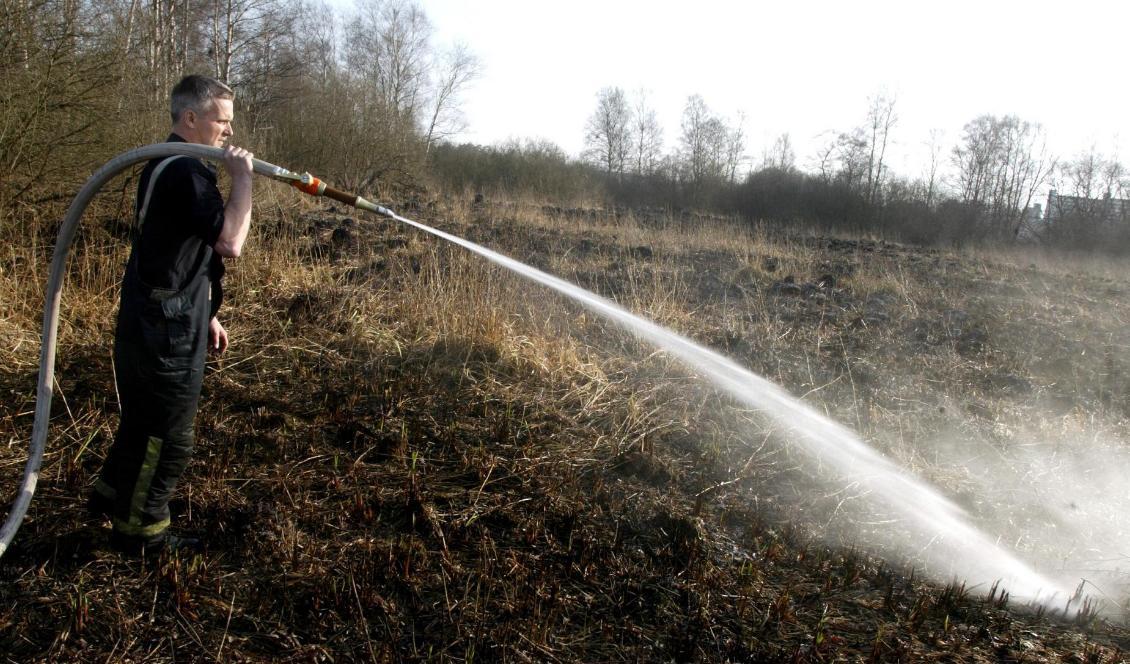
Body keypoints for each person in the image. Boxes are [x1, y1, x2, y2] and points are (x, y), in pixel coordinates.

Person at [88, 74, 254, 555]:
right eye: (222, 121)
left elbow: (170, 254)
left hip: (152, 317)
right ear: (191, 118)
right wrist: (242, 180)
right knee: (167, 436)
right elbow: (229, 242)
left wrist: (206, 311)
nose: (228, 132)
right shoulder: (183, 171)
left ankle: (111, 496)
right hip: (165, 334)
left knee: (141, 420)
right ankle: (141, 533)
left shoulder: (166, 162)